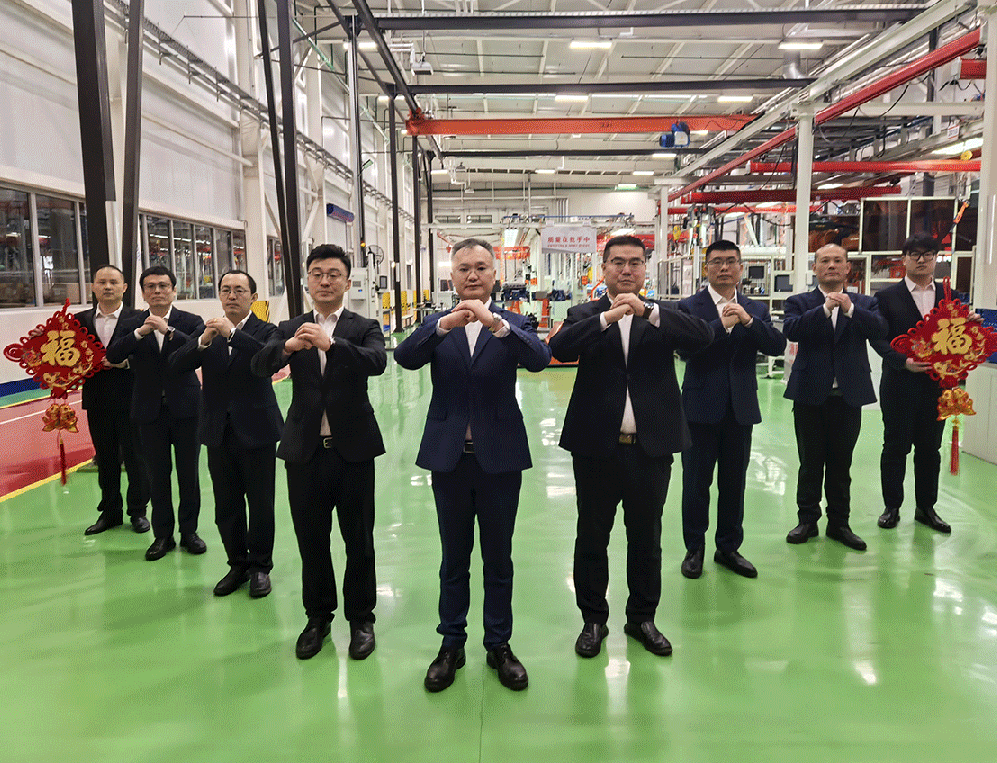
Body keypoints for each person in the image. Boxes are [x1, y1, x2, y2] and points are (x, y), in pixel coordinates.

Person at [394, 238, 551, 693]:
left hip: (499, 458)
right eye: (464, 268)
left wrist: (496, 324)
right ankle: (451, 644)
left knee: (498, 558)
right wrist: (442, 326)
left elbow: (540, 359)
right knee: (454, 558)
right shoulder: (436, 326)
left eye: (482, 267)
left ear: (495, 275)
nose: (473, 275)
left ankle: (499, 644)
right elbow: (404, 358)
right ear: (452, 276)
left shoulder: (513, 323)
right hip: (450, 460)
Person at [549, 235, 713, 659]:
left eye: (635, 262)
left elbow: (702, 338)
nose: (626, 270)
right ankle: (593, 619)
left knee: (646, 537)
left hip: (650, 449)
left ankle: (642, 618)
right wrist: (607, 318)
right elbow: (560, 348)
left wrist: (648, 313)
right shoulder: (584, 314)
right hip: (595, 448)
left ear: (645, 269)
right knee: (592, 536)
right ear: (603, 268)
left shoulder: (666, 314)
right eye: (618, 262)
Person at [252, 245, 386, 661]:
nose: (325, 281)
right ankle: (317, 618)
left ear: (347, 282)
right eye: (317, 274)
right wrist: (289, 348)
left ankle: (361, 619)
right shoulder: (289, 326)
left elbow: (377, 362)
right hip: (304, 451)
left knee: (358, 540)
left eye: (333, 274)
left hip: (353, 450)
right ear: (307, 281)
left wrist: (331, 345)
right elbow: (259, 366)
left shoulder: (364, 326)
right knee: (311, 540)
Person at [170, 270, 284, 598]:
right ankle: (237, 564)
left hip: (258, 430)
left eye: (239, 290)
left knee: (260, 504)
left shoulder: (267, 330)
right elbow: (176, 364)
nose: (231, 295)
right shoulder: (209, 331)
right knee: (226, 504)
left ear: (253, 297)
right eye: (225, 290)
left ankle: (260, 567)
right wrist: (203, 341)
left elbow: (268, 358)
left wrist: (232, 334)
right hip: (218, 431)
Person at [676, 240, 786, 579]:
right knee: (696, 483)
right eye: (717, 261)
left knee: (734, 483)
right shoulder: (689, 306)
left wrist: (749, 322)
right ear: (706, 268)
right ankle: (694, 548)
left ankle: (728, 547)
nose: (724, 267)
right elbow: (685, 349)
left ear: (740, 267)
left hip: (740, 409)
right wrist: (720, 327)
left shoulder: (755, 308)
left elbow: (776, 345)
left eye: (730, 261)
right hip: (699, 408)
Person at [783, 244, 887, 551]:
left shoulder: (865, 303)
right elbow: (792, 330)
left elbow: (879, 329)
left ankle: (839, 523)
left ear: (847, 268)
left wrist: (850, 309)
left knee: (841, 464)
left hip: (847, 396)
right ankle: (807, 520)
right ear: (815, 268)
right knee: (810, 462)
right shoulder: (800, 302)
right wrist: (825, 309)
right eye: (824, 261)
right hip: (809, 395)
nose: (831, 265)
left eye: (837, 260)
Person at [106, 265, 206, 561]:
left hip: (186, 409)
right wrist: (140, 333)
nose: (157, 291)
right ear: (143, 293)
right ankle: (163, 536)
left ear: (174, 290)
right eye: (150, 286)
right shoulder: (132, 323)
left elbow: (197, 353)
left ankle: (189, 532)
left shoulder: (191, 321)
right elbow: (113, 354)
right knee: (156, 476)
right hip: (149, 410)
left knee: (188, 474)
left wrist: (168, 331)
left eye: (163, 286)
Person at [870, 233, 952, 534]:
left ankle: (926, 508)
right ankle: (891, 507)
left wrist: (972, 328)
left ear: (936, 259)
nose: (921, 260)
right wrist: (902, 361)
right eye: (914, 254)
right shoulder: (886, 298)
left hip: (936, 387)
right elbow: (878, 338)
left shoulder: (950, 296)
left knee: (930, 449)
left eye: (928, 254)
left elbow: (959, 336)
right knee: (895, 446)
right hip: (899, 385)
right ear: (904, 259)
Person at [75, 265, 150, 536]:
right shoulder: (77, 321)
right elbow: (63, 353)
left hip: (132, 398)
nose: (108, 287)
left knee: (136, 458)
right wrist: (42, 340)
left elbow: (150, 356)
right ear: (93, 287)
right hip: (97, 400)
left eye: (113, 282)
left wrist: (126, 363)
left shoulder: (140, 319)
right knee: (105, 459)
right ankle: (110, 512)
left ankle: (138, 512)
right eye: (102, 282)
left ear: (124, 287)